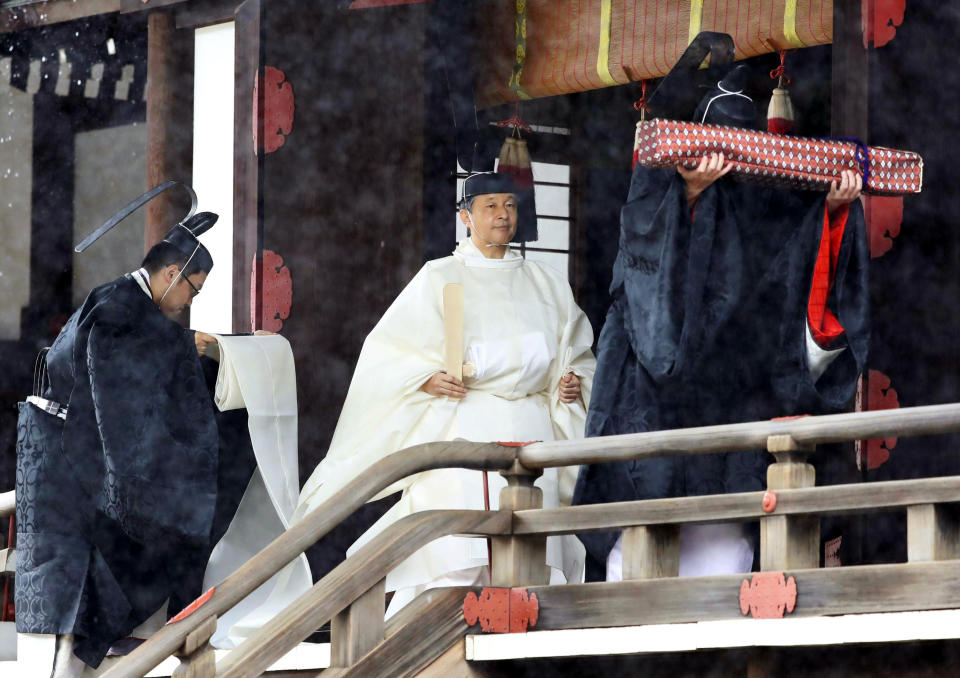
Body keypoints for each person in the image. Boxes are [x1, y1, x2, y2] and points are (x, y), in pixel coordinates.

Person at [573, 65, 870, 581]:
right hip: (656, 417)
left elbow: (789, 281)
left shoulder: (760, 205)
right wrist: (686, 197)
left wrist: (833, 212)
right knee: (641, 585)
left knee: (728, 573)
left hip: (731, 421)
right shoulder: (650, 207)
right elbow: (653, 324)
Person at [295, 172, 596, 615]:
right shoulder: (438, 277)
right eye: (490, 205)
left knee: (533, 558)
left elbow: (576, 352)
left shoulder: (547, 281)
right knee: (457, 556)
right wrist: (427, 377)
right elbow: (389, 353)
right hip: (465, 421)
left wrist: (571, 380)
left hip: (533, 425)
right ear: (465, 216)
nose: (502, 215)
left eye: (510, 205)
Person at [14, 189, 246, 676]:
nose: (188, 302)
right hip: (62, 451)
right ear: (171, 274)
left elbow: (148, 357)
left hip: (62, 443)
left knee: (82, 589)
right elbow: (132, 370)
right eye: (192, 290)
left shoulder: (126, 303)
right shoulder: (121, 305)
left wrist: (201, 346)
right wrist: (196, 346)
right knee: (76, 584)